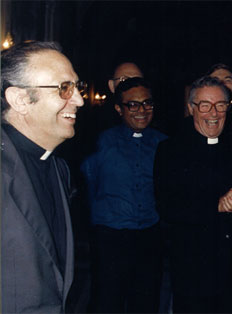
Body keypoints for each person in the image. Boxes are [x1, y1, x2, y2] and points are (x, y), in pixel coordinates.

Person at [154, 76, 232, 313]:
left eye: (220, 105)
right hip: (193, 272)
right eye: (205, 105)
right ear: (191, 108)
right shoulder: (170, 150)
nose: (214, 113)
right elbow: (167, 206)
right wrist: (216, 205)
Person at [1, 41, 86, 312]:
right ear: (20, 100)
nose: (79, 100)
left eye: (76, 87)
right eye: (64, 89)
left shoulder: (58, 168)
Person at [81, 77, 166, 313]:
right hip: (111, 237)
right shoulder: (100, 142)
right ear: (119, 109)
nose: (142, 110)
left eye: (147, 104)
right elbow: (89, 184)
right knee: (107, 303)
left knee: (146, 304)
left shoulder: (163, 143)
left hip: (149, 237)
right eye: (133, 105)